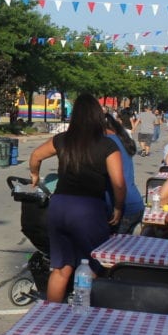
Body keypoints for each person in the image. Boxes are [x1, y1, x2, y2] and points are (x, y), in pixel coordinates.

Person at [28, 93, 125, 303]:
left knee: (61, 269)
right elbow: (118, 183)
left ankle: (51, 314)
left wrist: (35, 174)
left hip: (59, 206)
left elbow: (35, 156)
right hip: (88, 210)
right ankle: (88, 314)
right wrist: (118, 207)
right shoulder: (107, 145)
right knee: (93, 266)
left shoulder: (62, 140)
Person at [104, 112, 145, 234]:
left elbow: (119, 183)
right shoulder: (121, 139)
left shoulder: (107, 142)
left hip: (122, 207)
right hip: (135, 203)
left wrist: (118, 207)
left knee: (111, 245)